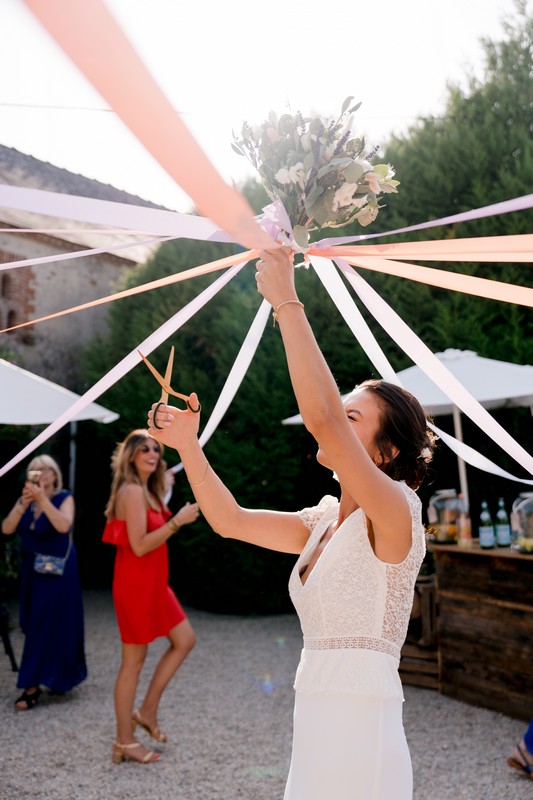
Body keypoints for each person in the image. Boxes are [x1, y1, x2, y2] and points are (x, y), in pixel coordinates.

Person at [146, 246, 437, 799]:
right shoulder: (324, 519)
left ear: (386, 449)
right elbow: (230, 521)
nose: (333, 424)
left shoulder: (398, 511)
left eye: (354, 417)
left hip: (363, 724)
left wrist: (285, 299)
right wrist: (188, 443)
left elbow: (323, 420)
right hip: (315, 714)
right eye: (342, 412)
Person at [102, 429, 199, 765]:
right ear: (130, 454)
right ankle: (124, 741)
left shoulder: (149, 490)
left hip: (156, 586)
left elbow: (162, 494)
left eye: (156, 448)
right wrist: (179, 522)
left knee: (185, 639)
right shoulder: (131, 490)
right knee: (133, 663)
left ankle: (146, 710)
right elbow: (140, 544)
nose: (152, 452)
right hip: (135, 586)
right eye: (143, 448)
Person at [1, 454, 87, 710]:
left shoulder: (64, 498)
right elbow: (6, 529)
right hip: (33, 570)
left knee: (56, 623)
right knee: (33, 621)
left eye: (46, 470)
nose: (41, 474)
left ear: (55, 474)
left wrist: (42, 500)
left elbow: (63, 526)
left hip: (59, 571)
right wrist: (23, 503)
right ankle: (51, 677)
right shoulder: (25, 501)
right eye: (35, 470)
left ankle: (32, 685)